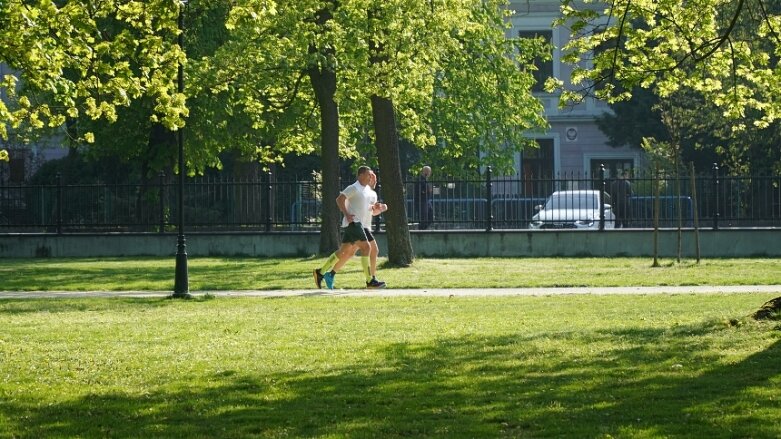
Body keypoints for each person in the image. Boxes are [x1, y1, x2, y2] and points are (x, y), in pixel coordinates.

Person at [313, 167, 388, 289]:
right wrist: (346, 214)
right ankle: (370, 280)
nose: (371, 177)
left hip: (364, 226)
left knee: (345, 252)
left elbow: (372, 212)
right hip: (354, 224)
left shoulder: (370, 192)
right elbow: (339, 199)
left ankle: (321, 272)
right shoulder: (354, 187)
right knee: (368, 248)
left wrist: (379, 208)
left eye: (372, 175)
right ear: (361, 175)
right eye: (369, 175)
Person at [415, 165, 433, 230]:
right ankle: (421, 230)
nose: (429, 173)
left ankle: (423, 229)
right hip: (421, 201)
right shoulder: (420, 179)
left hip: (427, 200)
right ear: (425, 171)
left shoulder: (425, 179)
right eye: (429, 172)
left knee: (430, 216)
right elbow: (419, 190)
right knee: (423, 218)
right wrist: (426, 191)